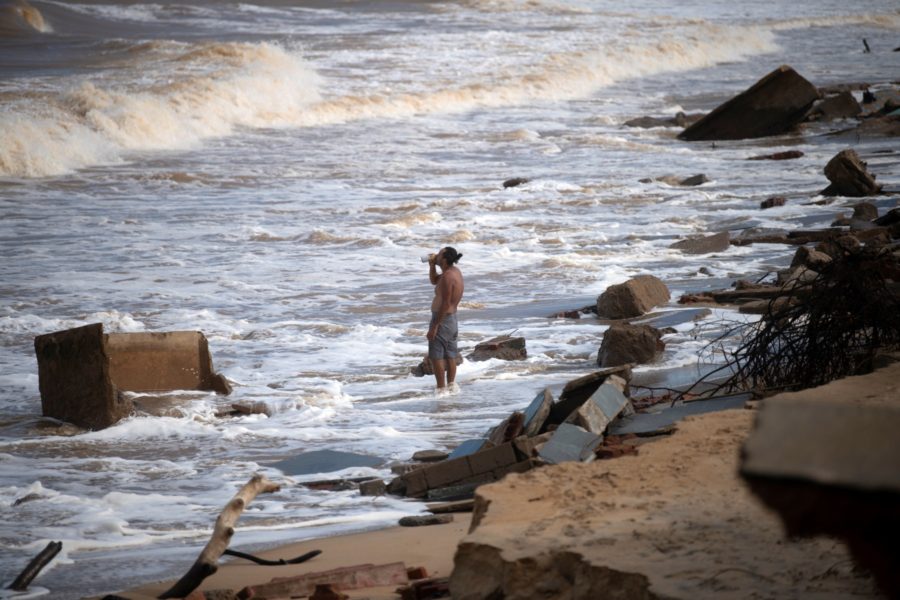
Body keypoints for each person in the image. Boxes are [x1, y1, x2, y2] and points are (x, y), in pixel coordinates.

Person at [427, 246, 464, 394]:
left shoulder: (448, 277)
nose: (436, 255)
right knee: (450, 354)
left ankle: (441, 390)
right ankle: (451, 387)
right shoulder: (453, 272)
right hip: (451, 320)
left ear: (444, 258)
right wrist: (431, 266)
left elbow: (445, 303)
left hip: (443, 319)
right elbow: (434, 280)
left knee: (437, 356)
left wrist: (435, 326)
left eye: (439, 253)